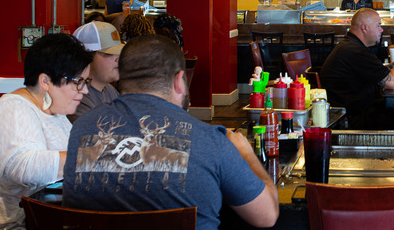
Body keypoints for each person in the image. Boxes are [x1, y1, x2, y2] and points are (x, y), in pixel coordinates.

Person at [63, 35, 278, 229]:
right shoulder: (212, 141)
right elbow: (267, 216)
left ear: (121, 77)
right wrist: (247, 154)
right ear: (179, 81)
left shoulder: (82, 130)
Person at [0, 34, 92, 229]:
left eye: (86, 81)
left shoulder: (55, 113)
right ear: (45, 81)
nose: (85, 90)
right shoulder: (13, 109)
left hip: (28, 220)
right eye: (78, 81)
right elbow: (25, 168)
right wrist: (93, 156)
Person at [320, 8, 394, 129]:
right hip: (352, 120)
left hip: (358, 112)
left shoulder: (352, 45)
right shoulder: (355, 51)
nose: (381, 30)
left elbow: (381, 73)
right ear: (364, 28)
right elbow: (391, 82)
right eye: (378, 25)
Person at [68, 21, 125, 123]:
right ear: (87, 57)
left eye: (118, 53)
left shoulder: (110, 90)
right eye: (109, 54)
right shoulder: (78, 96)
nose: (118, 59)